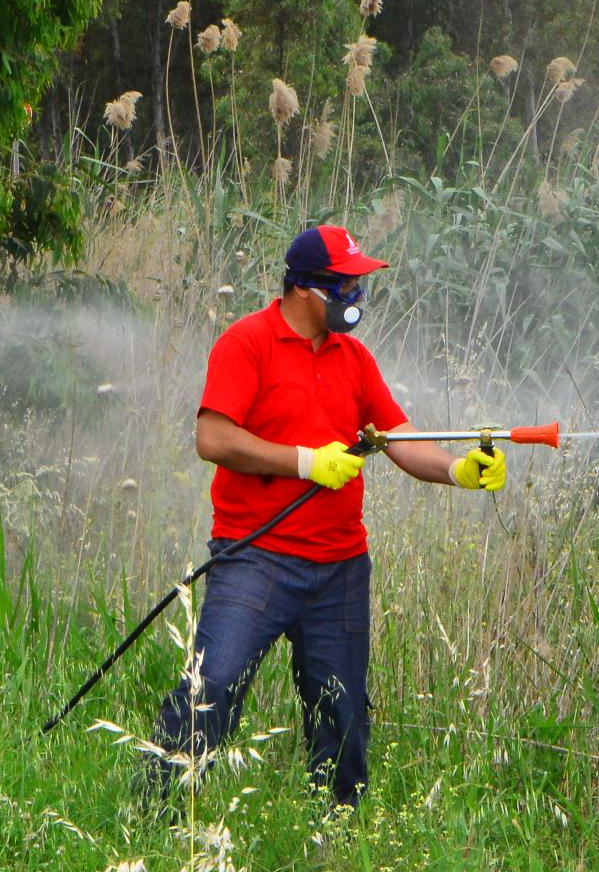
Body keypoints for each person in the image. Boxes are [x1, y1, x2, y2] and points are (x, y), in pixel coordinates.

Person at [149, 224, 506, 808]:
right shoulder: (247, 343)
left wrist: (457, 470)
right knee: (213, 687)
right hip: (254, 557)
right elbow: (212, 437)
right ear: (305, 289)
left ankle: (334, 833)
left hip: (340, 564)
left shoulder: (354, 357)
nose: (356, 300)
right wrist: (305, 462)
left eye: (359, 286)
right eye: (345, 286)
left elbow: (398, 437)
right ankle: (155, 810)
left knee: (341, 708)